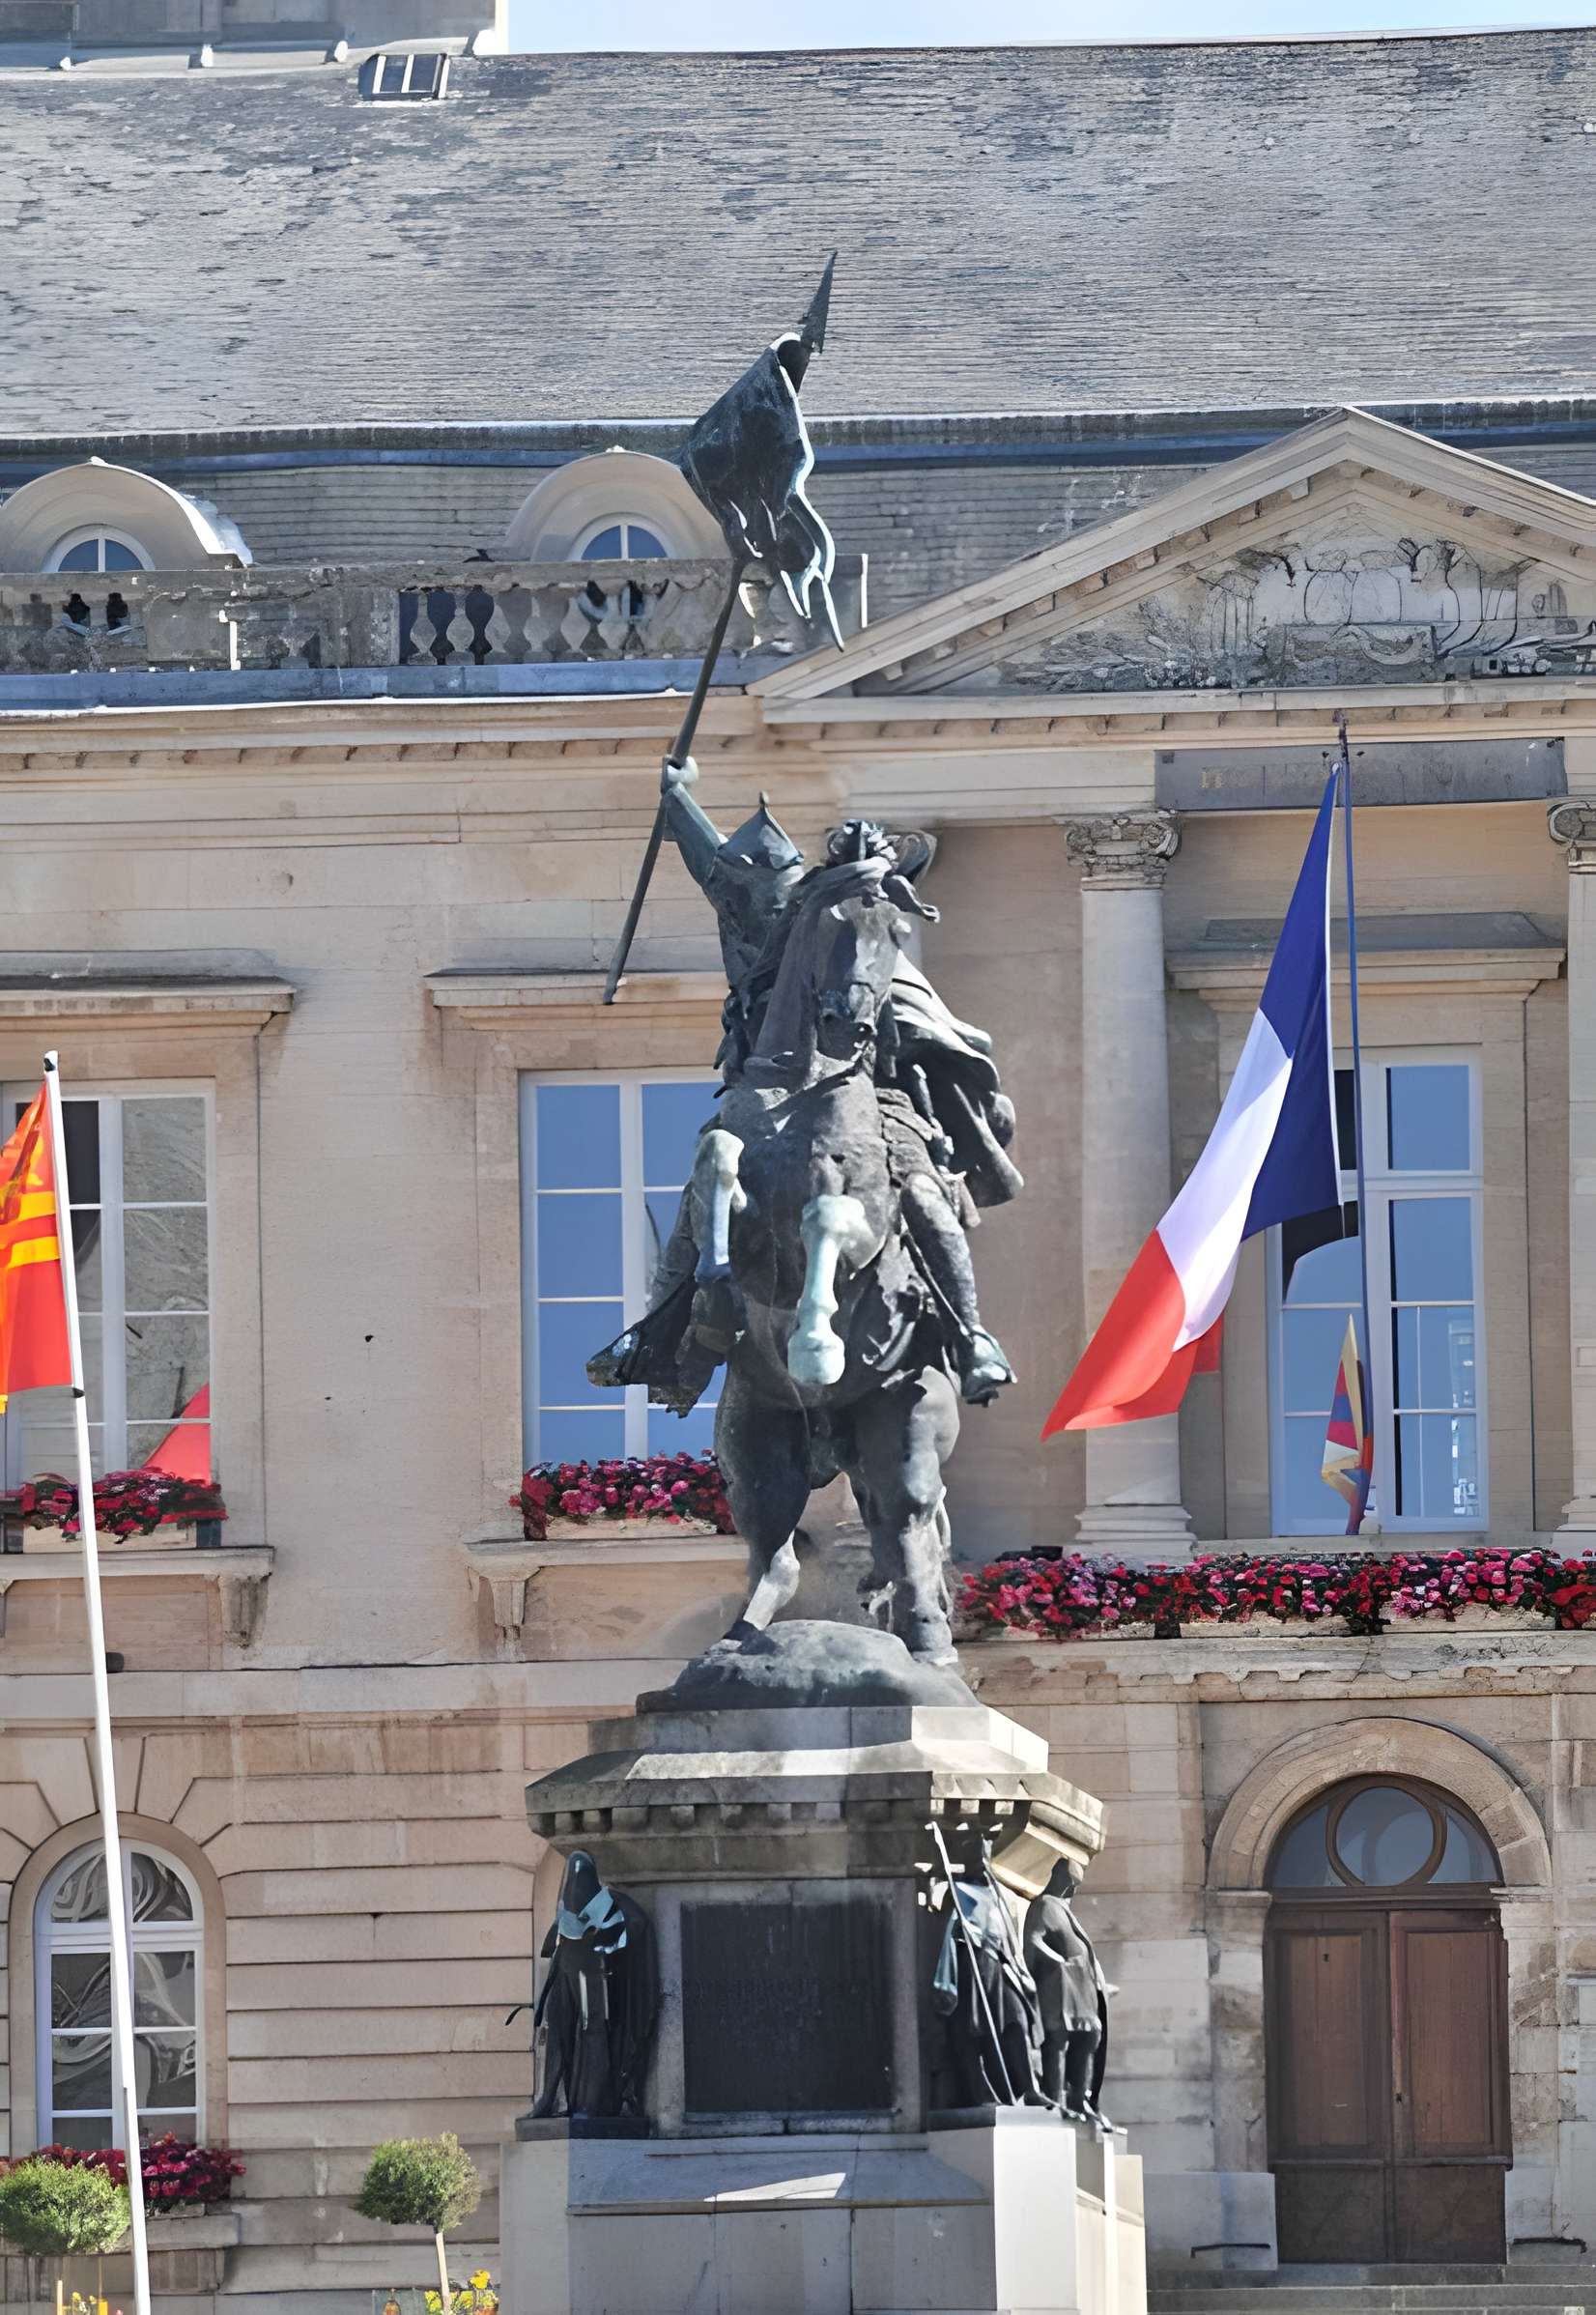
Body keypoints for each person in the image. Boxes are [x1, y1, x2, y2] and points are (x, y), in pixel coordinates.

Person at [589, 760, 1018, 1409]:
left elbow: (897, 1000)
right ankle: (662, 1335)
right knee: (704, 1183)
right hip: (763, 1083)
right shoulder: (756, 913)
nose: (754, 905)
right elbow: (710, 864)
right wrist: (677, 799)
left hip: (870, 1086)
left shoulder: (847, 922)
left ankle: (971, 1336)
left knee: (924, 1192)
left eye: (768, 890)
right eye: (747, 894)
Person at [529, 1851, 658, 2122]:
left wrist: (609, 1943)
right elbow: (554, 1946)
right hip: (566, 1972)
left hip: (595, 1977)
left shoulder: (614, 1905)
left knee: (593, 2033)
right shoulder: (566, 1913)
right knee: (557, 2032)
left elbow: (636, 1926)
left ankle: (592, 2103)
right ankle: (549, 2097)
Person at [930, 1828, 1047, 2108]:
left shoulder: (998, 1893)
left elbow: (1010, 1937)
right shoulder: (957, 1892)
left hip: (1002, 1967)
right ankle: (980, 2093)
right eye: (977, 1853)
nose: (983, 1859)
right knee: (975, 2030)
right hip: (974, 1966)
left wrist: (1020, 1971)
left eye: (986, 1853)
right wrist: (962, 1929)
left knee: (1017, 2020)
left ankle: (1029, 2088)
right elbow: (947, 1934)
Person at [1023, 1859, 1113, 2129]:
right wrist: (1059, 1963)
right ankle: (1055, 2099)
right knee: (1057, 2042)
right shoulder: (1045, 1905)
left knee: (1088, 2040)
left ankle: (1079, 2100)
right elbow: (1033, 1941)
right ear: (1056, 1877)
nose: (1070, 1890)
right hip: (1059, 1990)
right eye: (1068, 1883)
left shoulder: (1065, 1910)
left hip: (1083, 1993)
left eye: (1074, 1886)